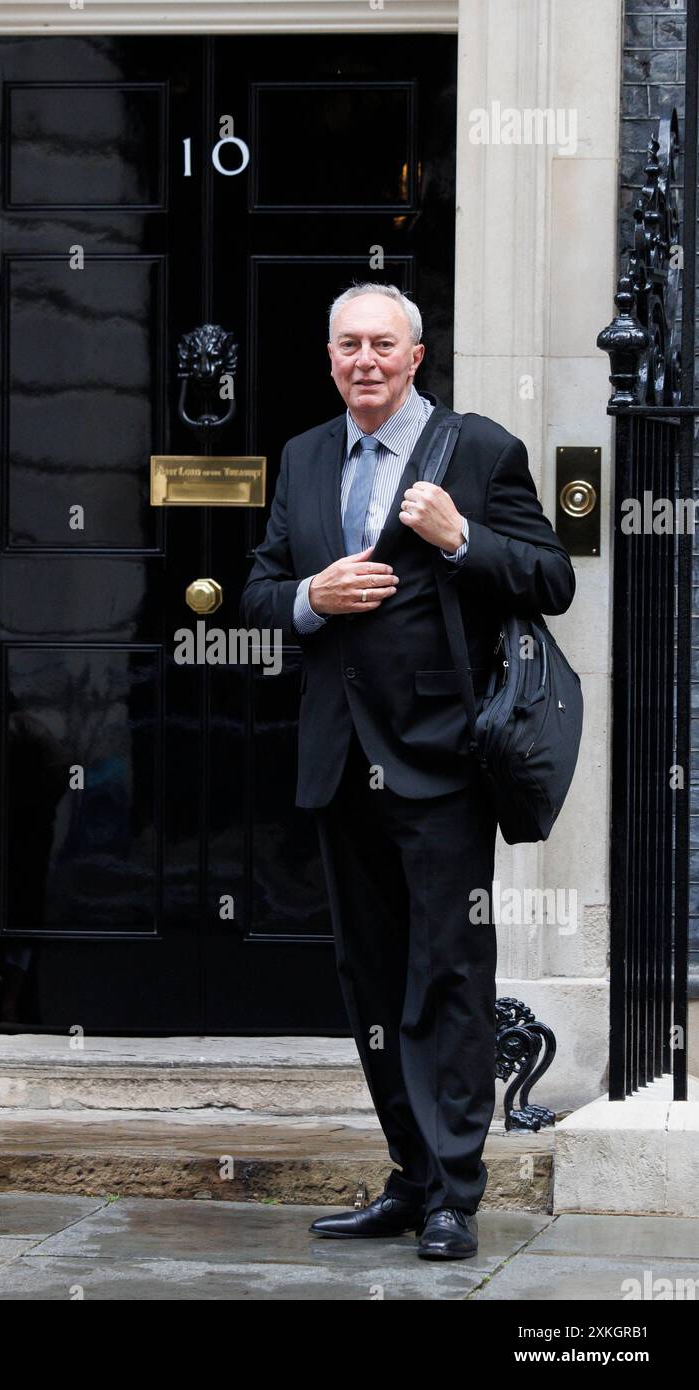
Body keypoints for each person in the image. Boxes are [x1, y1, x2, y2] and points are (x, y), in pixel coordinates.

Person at [239, 282, 575, 1259]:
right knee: (369, 982)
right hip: (338, 763)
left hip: (439, 769)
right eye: (347, 345)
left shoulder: (477, 452)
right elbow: (257, 588)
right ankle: (408, 1173)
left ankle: (453, 1196)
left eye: (382, 344)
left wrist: (458, 538)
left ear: (415, 356)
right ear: (330, 356)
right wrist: (311, 593)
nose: (364, 361)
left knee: (447, 977)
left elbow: (548, 576)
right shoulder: (304, 455)